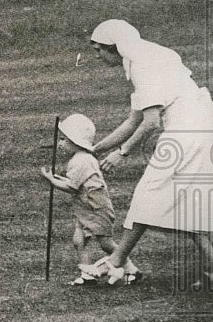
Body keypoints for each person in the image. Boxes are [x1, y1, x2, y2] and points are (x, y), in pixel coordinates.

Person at [84, 19, 213, 287]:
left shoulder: (141, 65)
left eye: (99, 50)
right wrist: (93, 149)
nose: (97, 56)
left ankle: (115, 261)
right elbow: (133, 121)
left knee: (146, 195)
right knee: (186, 204)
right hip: (198, 128)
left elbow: (151, 122)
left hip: (186, 131)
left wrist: (122, 153)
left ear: (114, 47)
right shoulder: (144, 55)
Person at [40, 113, 141, 286]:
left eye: (65, 140)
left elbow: (71, 187)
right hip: (86, 208)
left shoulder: (81, 161)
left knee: (106, 243)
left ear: (75, 141)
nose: (61, 143)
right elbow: (76, 184)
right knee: (79, 239)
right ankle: (86, 274)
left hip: (96, 209)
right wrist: (57, 178)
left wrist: (51, 180)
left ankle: (132, 270)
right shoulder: (80, 159)